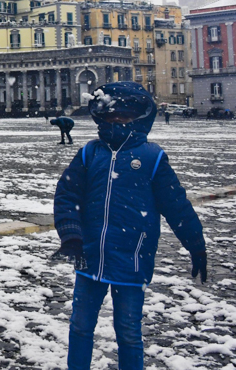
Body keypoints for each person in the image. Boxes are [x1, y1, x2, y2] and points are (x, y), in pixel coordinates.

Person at [53, 82, 207, 370]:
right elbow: (67, 195)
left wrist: (195, 244)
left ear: (137, 118)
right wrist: (71, 235)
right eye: (110, 117)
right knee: (81, 327)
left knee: (129, 333)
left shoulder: (152, 157)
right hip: (89, 257)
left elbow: (177, 206)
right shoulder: (89, 153)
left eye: (122, 117)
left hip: (133, 259)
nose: (116, 123)